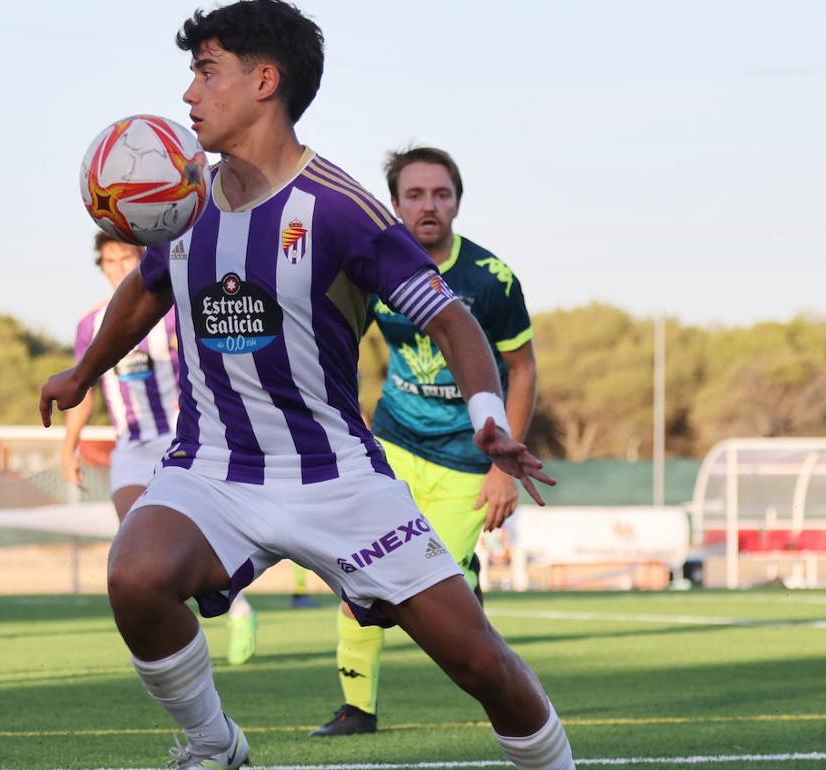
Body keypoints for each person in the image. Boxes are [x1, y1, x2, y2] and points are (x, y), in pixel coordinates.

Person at [39, 2, 574, 768]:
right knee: (135, 574)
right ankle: (213, 745)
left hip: (336, 479)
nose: (188, 95)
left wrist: (487, 413)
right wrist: (81, 372)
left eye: (205, 71)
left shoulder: (340, 210)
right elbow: (149, 289)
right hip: (213, 468)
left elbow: (454, 321)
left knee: (478, 663)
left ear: (264, 81)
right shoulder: (182, 204)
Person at [312, 147, 539, 737]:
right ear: (395, 203)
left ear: (457, 201)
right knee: (358, 568)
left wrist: (503, 466)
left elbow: (524, 368)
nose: (428, 206)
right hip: (391, 445)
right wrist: (351, 409)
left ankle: (504, 693)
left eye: (440, 194)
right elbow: (338, 336)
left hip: (469, 460)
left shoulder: (491, 279)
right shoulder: (377, 266)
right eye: (414, 195)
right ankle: (356, 710)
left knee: (446, 593)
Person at [62, 232, 259, 664]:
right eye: (109, 260)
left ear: (139, 257)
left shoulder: (169, 311)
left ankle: (237, 609)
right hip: (130, 446)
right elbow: (86, 386)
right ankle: (192, 630)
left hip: (178, 437)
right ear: (101, 266)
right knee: (135, 541)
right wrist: (68, 446)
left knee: (185, 537)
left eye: (125, 257)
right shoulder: (89, 325)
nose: (117, 266)